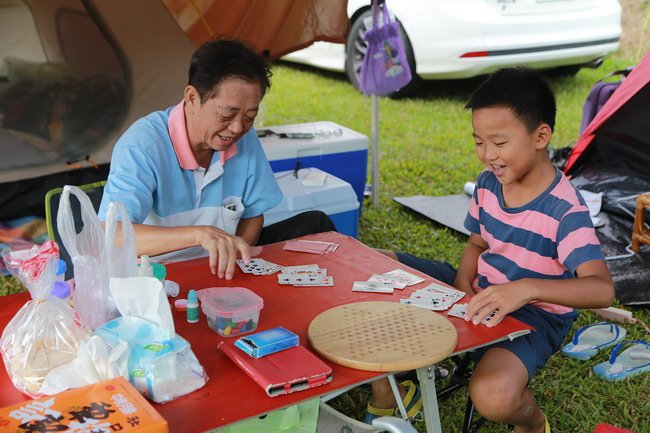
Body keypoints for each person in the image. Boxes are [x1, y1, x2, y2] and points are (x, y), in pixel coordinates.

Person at [367, 67, 614, 433]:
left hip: (533, 315)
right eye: (479, 141)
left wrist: (526, 288)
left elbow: (601, 288)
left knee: (493, 396)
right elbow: (477, 242)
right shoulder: (488, 183)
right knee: (373, 265)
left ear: (541, 135)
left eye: (499, 143)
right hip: (476, 288)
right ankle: (393, 392)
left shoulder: (566, 211)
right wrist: (464, 285)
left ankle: (532, 424)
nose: (487, 155)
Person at [98, 38, 335, 278]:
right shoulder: (143, 146)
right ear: (192, 98)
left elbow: (253, 214)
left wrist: (234, 263)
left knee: (316, 224)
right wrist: (199, 235)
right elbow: (112, 234)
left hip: (218, 267)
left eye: (249, 117)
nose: (236, 128)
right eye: (227, 113)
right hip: (160, 274)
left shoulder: (244, 138)